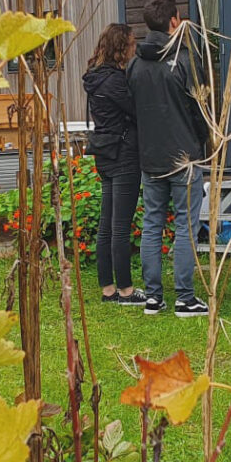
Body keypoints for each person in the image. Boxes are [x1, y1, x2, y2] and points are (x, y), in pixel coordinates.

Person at [127, 0, 210, 316]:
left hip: (151, 154)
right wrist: (203, 139)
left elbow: (133, 106)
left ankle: (153, 296)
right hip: (183, 153)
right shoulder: (185, 58)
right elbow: (199, 106)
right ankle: (185, 298)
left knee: (152, 224)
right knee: (185, 227)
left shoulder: (135, 62)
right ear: (174, 22)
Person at [83, 23, 144, 306]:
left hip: (104, 154)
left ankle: (108, 289)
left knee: (106, 227)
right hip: (123, 155)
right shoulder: (116, 81)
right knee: (120, 227)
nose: (134, 48)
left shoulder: (95, 77)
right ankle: (126, 292)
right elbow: (139, 111)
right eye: (131, 44)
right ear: (122, 47)